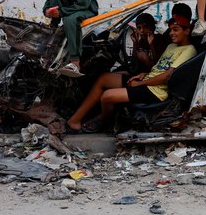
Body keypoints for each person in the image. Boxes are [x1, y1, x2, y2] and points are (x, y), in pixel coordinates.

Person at [66, 14, 197, 133]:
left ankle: (103, 120)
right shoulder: (172, 46)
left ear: (187, 31)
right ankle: (75, 120)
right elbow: (158, 68)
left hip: (156, 91)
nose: (171, 33)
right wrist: (144, 74)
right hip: (148, 80)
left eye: (176, 29)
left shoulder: (189, 50)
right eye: (171, 30)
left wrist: (140, 84)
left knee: (107, 96)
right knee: (104, 78)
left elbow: (167, 76)